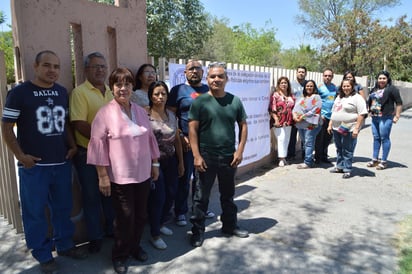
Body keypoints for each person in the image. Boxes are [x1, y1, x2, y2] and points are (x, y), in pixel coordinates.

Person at [1, 50, 87, 274]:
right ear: (36, 66)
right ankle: (42, 253)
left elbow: (65, 123)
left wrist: (71, 145)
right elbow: (6, 127)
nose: (52, 70)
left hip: (60, 163)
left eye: (57, 67)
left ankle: (65, 245)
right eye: (47, 65)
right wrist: (20, 156)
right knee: (35, 212)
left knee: (62, 208)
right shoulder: (20, 93)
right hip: (34, 167)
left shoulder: (61, 92)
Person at [87, 68, 160, 274]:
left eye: (127, 84)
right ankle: (120, 254)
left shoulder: (139, 111)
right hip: (120, 177)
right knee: (124, 217)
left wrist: (155, 164)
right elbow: (98, 145)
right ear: (112, 88)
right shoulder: (105, 113)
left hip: (143, 173)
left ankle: (135, 246)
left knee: (140, 215)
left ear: (132, 87)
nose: (123, 88)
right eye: (118, 84)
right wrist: (102, 177)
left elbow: (150, 138)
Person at [188, 62, 248, 248]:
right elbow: (192, 130)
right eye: (213, 76)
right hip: (206, 156)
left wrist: (239, 150)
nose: (216, 79)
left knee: (228, 195)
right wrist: (196, 156)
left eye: (220, 76)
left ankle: (229, 226)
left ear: (226, 79)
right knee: (201, 197)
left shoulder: (235, 101)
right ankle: (197, 232)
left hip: (229, 156)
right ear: (207, 79)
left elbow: (243, 125)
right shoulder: (200, 101)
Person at [70, 52, 115, 253]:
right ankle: (95, 237)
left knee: (110, 194)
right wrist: (105, 139)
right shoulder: (80, 92)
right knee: (91, 197)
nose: (100, 70)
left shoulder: (111, 92)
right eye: (96, 66)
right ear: (86, 69)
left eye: (103, 67)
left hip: (113, 154)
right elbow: (79, 124)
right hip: (88, 154)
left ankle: (112, 231)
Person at [167, 60, 215, 227]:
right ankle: (180, 211)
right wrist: (181, 136)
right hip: (186, 141)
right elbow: (171, 117)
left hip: (207, 141)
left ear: (203, 73)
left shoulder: (209, 90)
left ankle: (200, 208)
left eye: (197, 69)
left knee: (203, 177)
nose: (194, 71)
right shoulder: (178, 90)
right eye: (191, 69)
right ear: (185, 73)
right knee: (184, 176)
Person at [146, 81, 184, 250]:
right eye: (156, 94)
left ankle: (161, 223)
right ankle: (154, 234)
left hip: (171, 160)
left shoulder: (171, 114)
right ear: (150, 96)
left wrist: (181, 162)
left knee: (171, 193)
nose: (160, 97)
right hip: (153, 162)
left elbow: (176, 139)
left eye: (163, 93)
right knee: (158, 197)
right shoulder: (143, 115)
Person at [327, 79, 367, 178]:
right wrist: (330, 124)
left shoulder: (357, 98)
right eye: (344, 86)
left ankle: (347, 169)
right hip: (337, 128)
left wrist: (357, 128)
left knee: (347, 149)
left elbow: (362, 113)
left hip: (349, 128)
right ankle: (339, 166)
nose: (346, 88)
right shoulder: (339, 97)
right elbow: (334, 111)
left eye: (348, 86)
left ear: (352, 86)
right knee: (339, 148)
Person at [366, 70, 403, 170]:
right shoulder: (374, 89)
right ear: (377, 79)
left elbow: (399, 103)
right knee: (376, 137)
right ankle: (375, 159)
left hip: (386, 117)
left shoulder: (392, 89)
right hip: (375, 117)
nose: (381, 80)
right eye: (380, 78)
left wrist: (397, 116)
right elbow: (370, 100)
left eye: (384, 78)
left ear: (387, 79)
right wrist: (369, 110)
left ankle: (384, 161)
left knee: (384, 138)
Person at [293, 80, 322, 169]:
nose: (309, 88)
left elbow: (316, 110)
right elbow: (295, 108)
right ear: (305, 87)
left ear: (314, 87)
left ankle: (308, 162)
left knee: (309, 143)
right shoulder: (302, 97)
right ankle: (309, 158)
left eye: (311, 86)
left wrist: (302, 117)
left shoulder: (316, 97)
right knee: (305, 142)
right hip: (301, 124)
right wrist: (294, 116)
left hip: (311, 124)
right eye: (307, 86)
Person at [268, 76, 295, 167]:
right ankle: (281, 158)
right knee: (281, 138)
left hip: (289, 121)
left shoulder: (291, 96)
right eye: (282, 83)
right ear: (279, 85)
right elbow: (272, 108)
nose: (284, 84)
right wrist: (276, 119)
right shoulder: (275, 95)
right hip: (279, 121)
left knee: (286, 139)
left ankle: (284, 157)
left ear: (288, 84)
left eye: (285, 83)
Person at [315, 68, 337, 164]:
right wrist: (319, 114)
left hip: (331, 117)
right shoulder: (319, 87)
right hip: (322, 116)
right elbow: (315, 101)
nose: (327, 77)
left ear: (332, 77)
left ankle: (324, 156)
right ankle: (317, 157)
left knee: (328, 138)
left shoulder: (335, 88)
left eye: (329, 76)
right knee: (319, 138)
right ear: (323, 76)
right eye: (326, 75)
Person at [288, 66, 307, 160]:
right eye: (299, 72)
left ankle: (305, 155)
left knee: (304, 136)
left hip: (305, 115)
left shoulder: (308, 84)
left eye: (303, 72)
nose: (301, 73)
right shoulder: (291, 85)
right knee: (292, 136)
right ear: (296, 73)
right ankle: (291, 155)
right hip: (294, 114)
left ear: (305, 74)